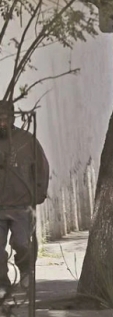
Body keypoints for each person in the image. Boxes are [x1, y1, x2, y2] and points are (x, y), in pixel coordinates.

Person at [0, 101, 50, 299]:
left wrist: (38, 193)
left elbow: (41, 168)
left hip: (21, 205)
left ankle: (26, 271)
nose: (2, 122)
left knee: (22, 243)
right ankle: (2, 283)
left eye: (5, 118)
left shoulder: (26, 141)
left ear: (13, 117)